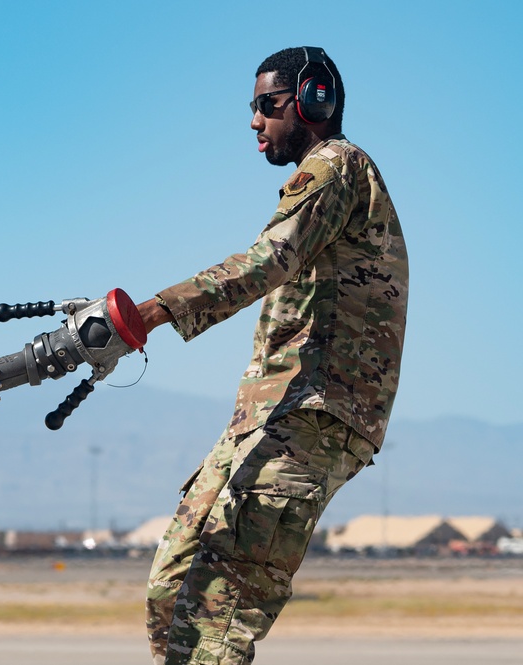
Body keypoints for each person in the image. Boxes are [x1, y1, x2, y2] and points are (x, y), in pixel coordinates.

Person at [137, 46, 408, 665]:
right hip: (265, 417)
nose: (255, 122)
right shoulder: (320, 179)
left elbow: (268, 262)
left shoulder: (336, 167)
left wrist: (150, 312)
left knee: (213, 623)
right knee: (171, 588)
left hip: (313, 417)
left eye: (266, 105)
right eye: (252, 108)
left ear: (314, 100)